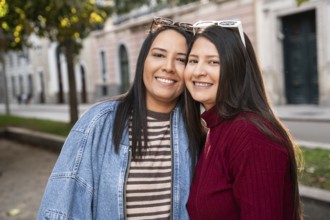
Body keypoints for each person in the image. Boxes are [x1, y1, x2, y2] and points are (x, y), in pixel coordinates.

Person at [37, 17, 204, 220]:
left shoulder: (197, 131)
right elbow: (60, 210)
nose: (168, 67)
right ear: (143, 61)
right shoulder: (98, 122)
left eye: (181, 59)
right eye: (159, 55)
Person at [184, 20, 303, 220]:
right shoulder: (216, 128)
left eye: (214, 62)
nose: (198, 71)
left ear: (237, 68)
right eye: (193, 61)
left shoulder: (251, 135)